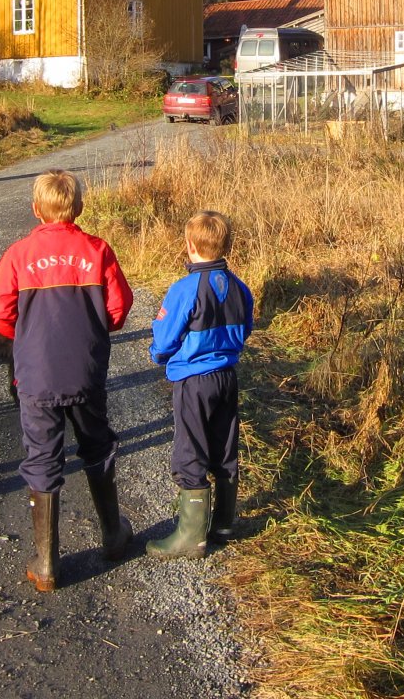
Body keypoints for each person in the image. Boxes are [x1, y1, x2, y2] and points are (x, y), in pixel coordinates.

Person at [0, 170, 134, 592]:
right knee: (97, 445)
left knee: (42, 456)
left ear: (35, 210)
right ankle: (112, 534)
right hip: (85, 372)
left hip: (36, 375)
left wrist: (26, 336)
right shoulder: (97, 250)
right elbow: (119, 308)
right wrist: (92, 328)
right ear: (79, 208)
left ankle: (47, 562)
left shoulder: (19, 254)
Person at [147, 211, 255, 560]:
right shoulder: (240, 288)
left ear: (189, 245)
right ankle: (223, 523)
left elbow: (164, 340)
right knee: (225, 445)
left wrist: (159, 356)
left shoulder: (184, 289)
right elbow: (246, 329)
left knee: (190, 448)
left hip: (194, 380)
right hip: (227, 377)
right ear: (227, 245)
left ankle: (191, 536)